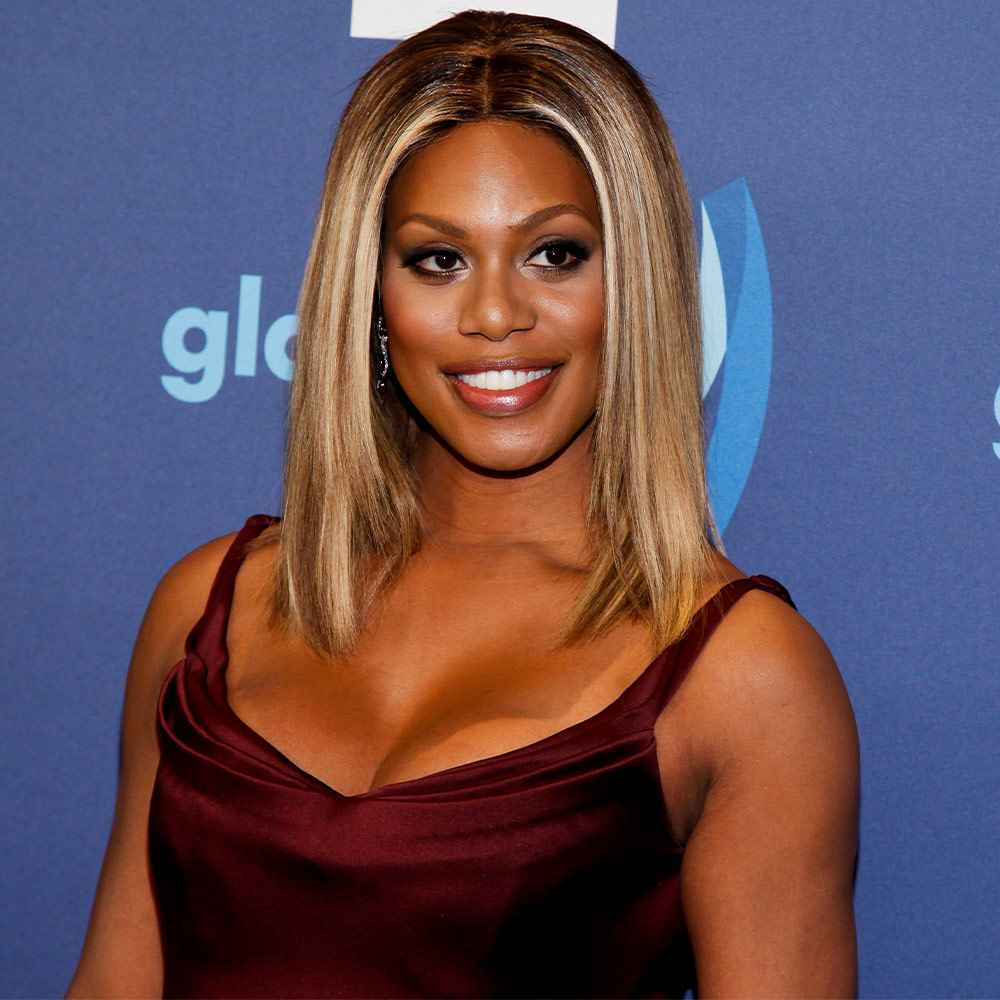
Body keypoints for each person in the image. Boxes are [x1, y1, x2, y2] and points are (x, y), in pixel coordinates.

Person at [67, 9, 859, 998]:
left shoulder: (741, 676)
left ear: (644, 283)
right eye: (437, 259)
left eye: (555, 254)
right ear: (370, 297)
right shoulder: (204, 611)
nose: (494, 315)